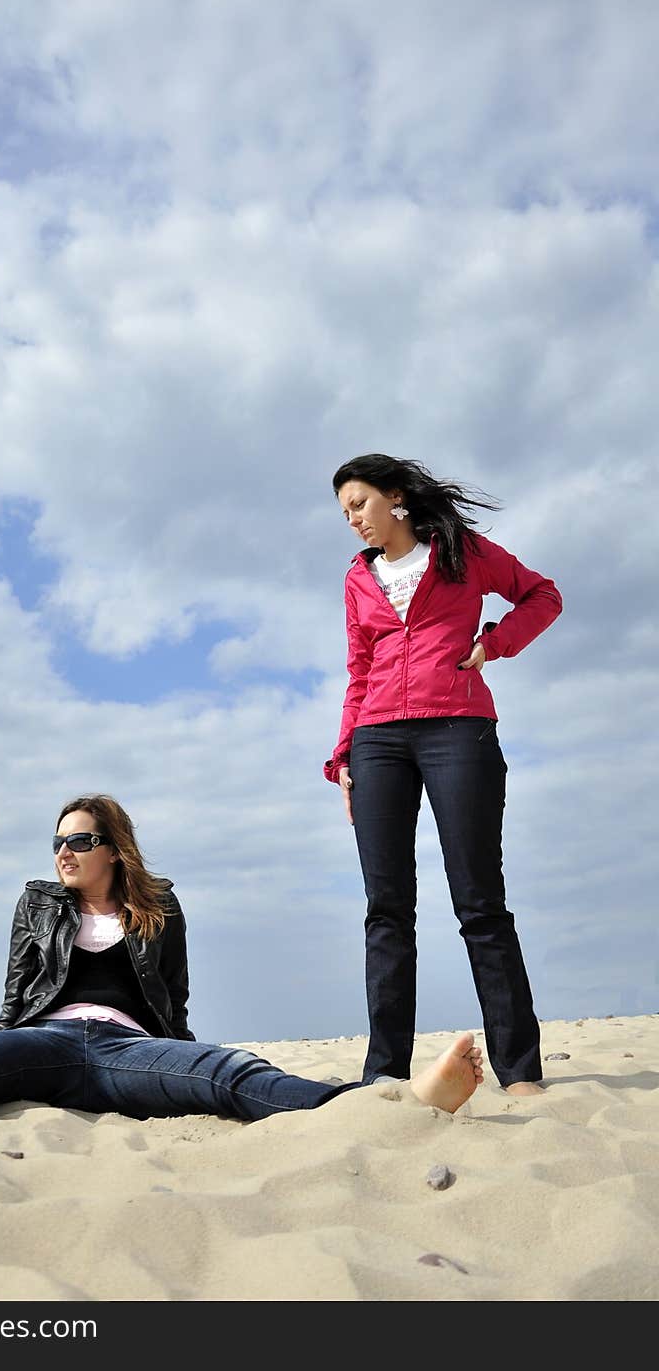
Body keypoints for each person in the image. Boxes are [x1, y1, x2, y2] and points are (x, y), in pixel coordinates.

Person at [0, 794, 483, 1128]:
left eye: (79, 838)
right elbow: (15, 994)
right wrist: (1, 1052)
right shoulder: (38, 902)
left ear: (113, 847)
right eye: (56, 841)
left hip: (128, 1049)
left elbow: (175, 1004)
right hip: (40, 1041)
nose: (63, 851)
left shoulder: (158, 906)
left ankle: (379, 1109)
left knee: (229, 1071)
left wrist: (178, 1058)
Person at [324, 455, 562, 1097]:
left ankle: (519, 1072)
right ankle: (383, 1075)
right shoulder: (358, 579)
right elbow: (359, 669)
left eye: (360, 504)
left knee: (480, 901)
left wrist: (493, 644)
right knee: (386, 909)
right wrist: (343, 756)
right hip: (376, 739)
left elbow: (544, 595)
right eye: (344, 512)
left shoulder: (461, 551)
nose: (353, 521)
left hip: (458, 726)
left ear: (395, 497)